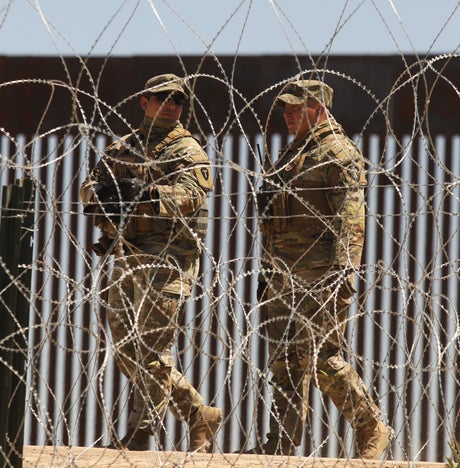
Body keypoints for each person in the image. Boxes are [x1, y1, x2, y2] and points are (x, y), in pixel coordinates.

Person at [243, 79, 391, 458]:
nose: (288, 114)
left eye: (296, 106)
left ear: (320, 107)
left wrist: (343, 272)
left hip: (319, 274)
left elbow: (350, 217)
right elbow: (277, 219)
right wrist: (267, 270)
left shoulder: (337, 152)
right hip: (285, 273)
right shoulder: (296, 153)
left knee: (323, 358)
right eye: (285, 108)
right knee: (285, 362)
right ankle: (281, 441)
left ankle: (371, 425)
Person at [80, 73, 222, 452]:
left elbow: (192, 193)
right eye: (164, 97)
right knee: (127, 345)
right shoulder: (122, 148)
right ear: (145, 101)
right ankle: (197, 414)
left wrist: (147, 194)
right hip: (126, 253)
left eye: (178, 100)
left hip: (168, 259)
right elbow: (89, 186)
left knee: (153, 346)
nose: (172, 104)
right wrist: (104, 195)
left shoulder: (187, 151)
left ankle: (141, 431)